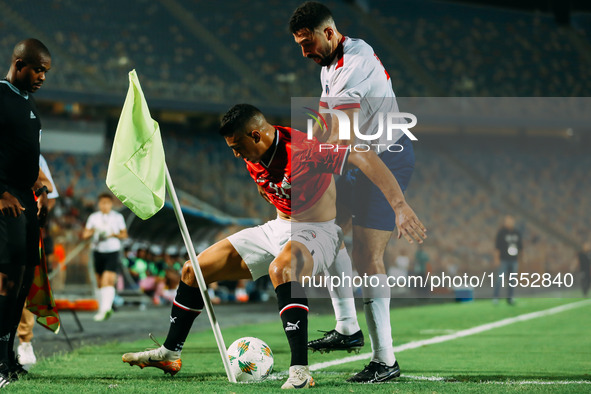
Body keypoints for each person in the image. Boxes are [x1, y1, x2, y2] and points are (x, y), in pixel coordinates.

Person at [121, 104, 425, 389]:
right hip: (276, 226)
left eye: (238, 148)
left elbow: (364, 156)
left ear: (256, 134)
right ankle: (169, 353)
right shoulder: (255, 155)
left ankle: (300, 372)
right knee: (192, 271)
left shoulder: (303, 150)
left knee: (282, 268)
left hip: (317, 231)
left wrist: (398, 205)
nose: (237, 156)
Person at [290, 2, 422, 383]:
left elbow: (341, 137)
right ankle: (348, 326)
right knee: (325, 227)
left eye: (308, 42)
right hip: (357, 157)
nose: (304, 52)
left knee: (367, 255)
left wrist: (301, 159)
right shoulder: (332, 63)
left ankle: (385, 361)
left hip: (386, 158)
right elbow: (330, 129)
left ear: (328, 33)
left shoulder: (353, 66)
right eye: (299, 44)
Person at [0, 38, 52, 388]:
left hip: (24, 198)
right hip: (4, 200)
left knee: (21, 282)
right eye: (38, 70)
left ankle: (7, 357)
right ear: (19, 64)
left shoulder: (27, 102)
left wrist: (41, 185)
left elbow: (24, 153)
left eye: (45, 72)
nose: (42, 78)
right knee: (5, 282)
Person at [17, 154, 60, 369]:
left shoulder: (33, 155)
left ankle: (24, 341)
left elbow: (49, 188)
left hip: (20, 224)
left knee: (21, 285)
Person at [82, 193, 128, 321]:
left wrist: (113, 234)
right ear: (99, 204)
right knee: (99, 281)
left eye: (107, 203)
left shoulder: (117, 217)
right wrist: (95, 231)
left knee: (108, 279)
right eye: (102, 203)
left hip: (112, 250)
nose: (105, 205)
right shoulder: (94, 218)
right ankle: (102, 308)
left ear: (111, 204)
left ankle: (106, 309)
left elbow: (124, 234)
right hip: (97, 251)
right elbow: (85, 234)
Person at [493, 215, 523, 305]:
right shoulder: (501, 233)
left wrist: (520, 259)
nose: (509, 223)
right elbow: (497, 247)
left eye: (510, 221)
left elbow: (520, 247)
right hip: (504, 260)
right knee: (500, 279)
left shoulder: (517, 233)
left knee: (512, 280)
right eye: (507, 221)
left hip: (514, 260)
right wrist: (497, 259)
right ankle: (495, 297)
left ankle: (510, 298)